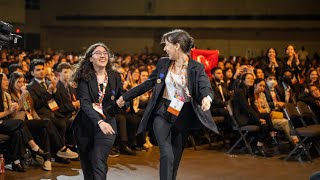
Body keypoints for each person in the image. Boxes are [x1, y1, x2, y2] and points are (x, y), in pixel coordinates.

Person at [117, 29, 218, 180]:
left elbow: (205, 87)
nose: (164, 49)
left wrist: (206, 99)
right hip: (162, 112)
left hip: (183, 115)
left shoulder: (197, 67)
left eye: (167, 45)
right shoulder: (163, 63)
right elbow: (147, 84)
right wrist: (125, 96)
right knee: (167, 152)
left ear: (177, 46)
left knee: (175, 157)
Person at [72, 42, 123, 180]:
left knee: (98, 158)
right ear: (90, 58)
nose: (102, 55)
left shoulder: (115, 76)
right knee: (88, 165)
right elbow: (85, 104)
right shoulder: (85, 78)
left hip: (108, 125)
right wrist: (99, 121)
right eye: (98, 53)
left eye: (105, 52)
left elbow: (122, 97)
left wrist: (123, 102)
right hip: (85, 125)